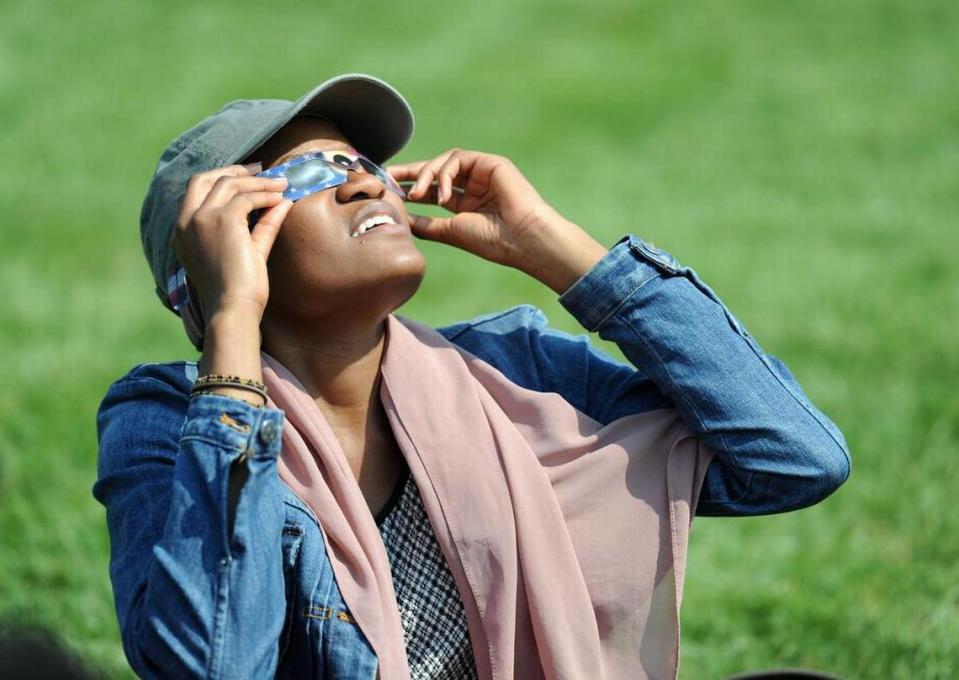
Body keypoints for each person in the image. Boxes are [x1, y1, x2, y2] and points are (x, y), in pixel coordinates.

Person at [93, 74, 850, 679]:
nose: (365, 184)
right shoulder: (166, 417)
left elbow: (790, 460)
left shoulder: (506, 369)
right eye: (310, 174)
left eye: (365, 164)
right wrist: (229, 329)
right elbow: (213, 663)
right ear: (216, 252)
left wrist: (557, 249)